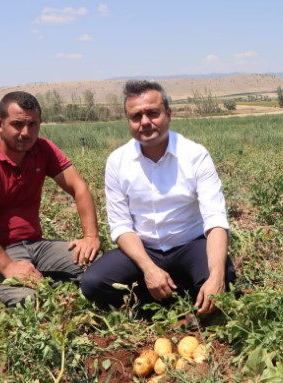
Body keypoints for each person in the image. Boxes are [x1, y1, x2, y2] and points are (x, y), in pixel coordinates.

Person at [81, 80, 236, 315]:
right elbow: (121, 226)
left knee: (222, 280)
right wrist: (148, 267)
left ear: (168, 114)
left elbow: (215, 220)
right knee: (93, 283)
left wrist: (216, 276)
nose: (145, 122)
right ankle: (159, 298)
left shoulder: (195, 155)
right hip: (144, 249)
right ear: (129, 121)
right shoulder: (117, 161)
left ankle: (179, 291)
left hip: (189, 244)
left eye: (153, 113)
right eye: (136, 116)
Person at [0, 91, 100, 307]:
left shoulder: (43, 149)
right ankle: (44, 288)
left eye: (33, 125)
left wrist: (91, 236)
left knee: (100, 268)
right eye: (17, 124)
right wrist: (8, 267)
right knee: (30, 302)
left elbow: (78, 187)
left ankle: (49, 283)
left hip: (36, 246)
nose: (26, 132)